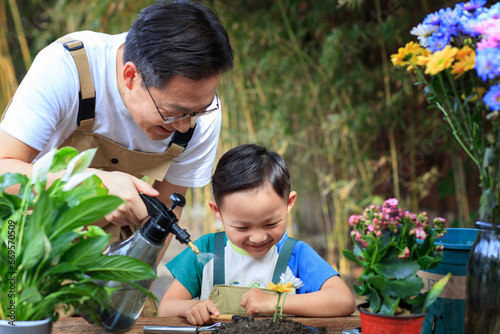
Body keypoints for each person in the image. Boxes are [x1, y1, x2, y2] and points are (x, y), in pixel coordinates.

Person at [0, 1, 233, 237]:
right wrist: (92, 184)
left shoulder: (202, 114)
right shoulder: (67, 69)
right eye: (173, 112)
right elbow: (3, 174)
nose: (183, 125)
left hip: (104, 251)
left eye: (197, 111)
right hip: (23, 237)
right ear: (131, 76)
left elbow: (165, 212)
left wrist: (143, 271)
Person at [159, 144, 356, 325]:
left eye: (271, 223)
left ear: (289, 202)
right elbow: (166, 307)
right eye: (242, 228)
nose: (258, 238)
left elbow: (343, 300)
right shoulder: (205, 249)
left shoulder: (296, 254)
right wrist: (190, 307)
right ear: (217, 211)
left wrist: (275, 303)